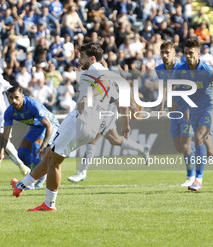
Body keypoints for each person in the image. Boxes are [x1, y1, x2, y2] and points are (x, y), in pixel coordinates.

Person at [10, 43, 130, 211]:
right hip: (91, 128)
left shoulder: (96, 68)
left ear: (92, 58)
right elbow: (123, 106)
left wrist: (85, 97)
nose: (79, 59)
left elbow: (101, 83)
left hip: (79, 121)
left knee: (54, 162)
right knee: (50, 157)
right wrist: (126, 125)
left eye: (82, 56)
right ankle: (21, 185)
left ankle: (49, 204)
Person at [172, 39, 213, 191]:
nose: (188, 56)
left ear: (198, 53)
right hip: (193, 112)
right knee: (210, 151)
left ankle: (198, 179)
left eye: (191, 53)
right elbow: (173, 88)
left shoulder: (207, 70)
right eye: (186, 53)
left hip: (209, 109)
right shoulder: (180, 70)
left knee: (198, 137)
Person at [0, 86, 60, 189]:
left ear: (22, 96)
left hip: (50, 125)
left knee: (36, 147)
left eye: (16, 97)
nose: (14, 101)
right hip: (35, 128)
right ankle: (39, 173)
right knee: (22, 153)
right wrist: (1, 152)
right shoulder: (9, 112)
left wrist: (44, 145)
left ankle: (35, 180)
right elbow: (5, 134)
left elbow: (48, 125)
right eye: (11, 98)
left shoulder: (32, 104)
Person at [156, 41, 195, 187]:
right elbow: (164, 86)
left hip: (187, 112)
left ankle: (191, 176)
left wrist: (190, 108)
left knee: (185, 147)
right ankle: (197, 152)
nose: (165, 55)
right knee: (179, 148)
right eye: (162, 53)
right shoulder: (160, 69)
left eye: (168, 52)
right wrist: (161, 104)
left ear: (174, 53)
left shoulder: (183, 68)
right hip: (173, 113)